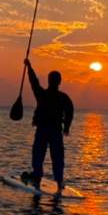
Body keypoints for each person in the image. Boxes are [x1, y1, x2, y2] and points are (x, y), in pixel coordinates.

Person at [22, 58, 75, 194]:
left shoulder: (42, 94)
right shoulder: (64, 97)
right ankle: (59, 181)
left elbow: (34, 81)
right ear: (59, 82)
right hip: (55, 131)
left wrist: (29, 67)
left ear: (49, 81)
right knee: (57, 156)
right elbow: (70, 111)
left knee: (39, 153)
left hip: (44, 130)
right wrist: (67, 127)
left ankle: (38, 175)